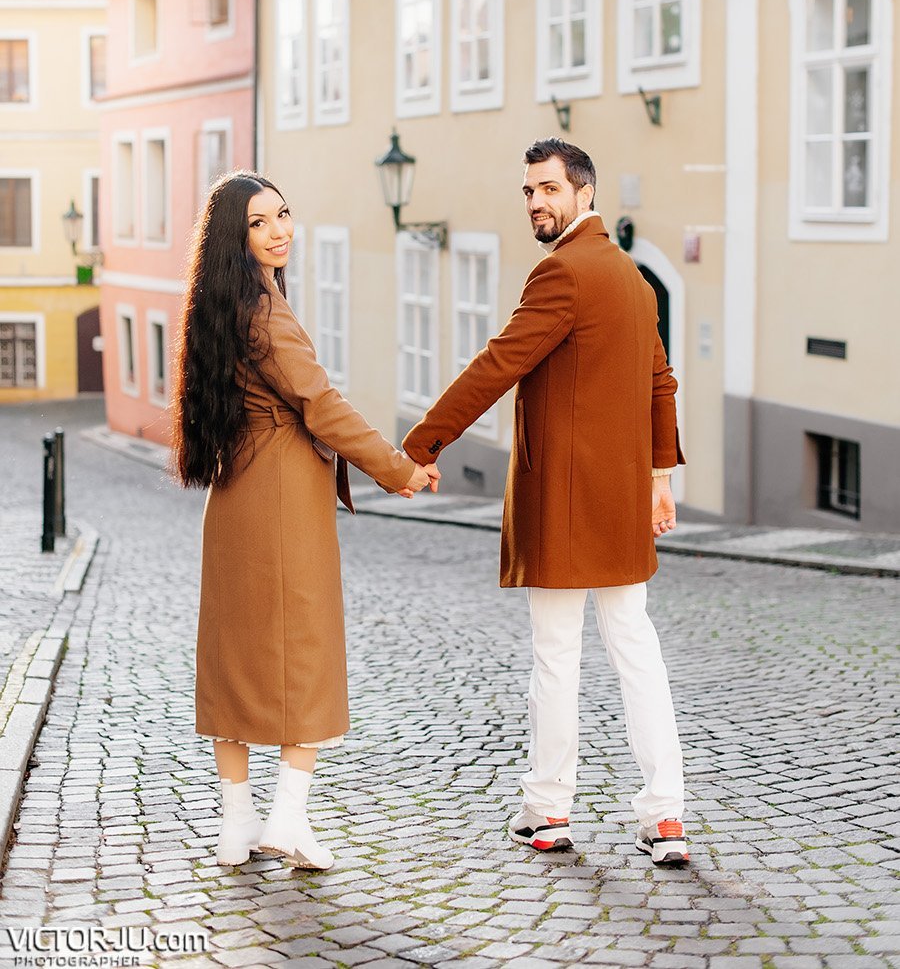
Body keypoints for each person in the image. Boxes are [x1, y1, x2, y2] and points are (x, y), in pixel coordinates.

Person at [403, 138, 689, 865]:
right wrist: (659, 478)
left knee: (558, 658)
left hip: (564, 501)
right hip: (622, 499)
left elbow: (498, 363)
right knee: (636, 654)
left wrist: (421, 444)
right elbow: (662, 384)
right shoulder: (634, 279)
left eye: (549, 189)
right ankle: (665, 817)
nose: (536, 201)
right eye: (528, 191)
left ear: (584, 193)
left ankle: (549, 812)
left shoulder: (561, 272)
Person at [172, 171, 439, 871]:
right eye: (260, 223)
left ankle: (240, 827)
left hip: (232, 496)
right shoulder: (265, 312)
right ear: (238, 236)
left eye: (284, 214)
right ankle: (286, 817)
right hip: (284, 496)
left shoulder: (219, 306)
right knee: (309, 654)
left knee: (234, 663)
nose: (280, 230)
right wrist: (398, 467)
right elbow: (320, 404)